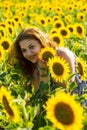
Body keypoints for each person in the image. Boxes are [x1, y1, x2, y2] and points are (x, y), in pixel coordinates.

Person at [9, 27, 76, 92]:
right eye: (24, 50)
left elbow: (68, 88)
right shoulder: (36, 64)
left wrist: (52, 67)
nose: (29, 53)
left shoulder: (63, 54)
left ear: (41, 43)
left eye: (32, 47)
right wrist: (43, 71)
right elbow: (41, 95)